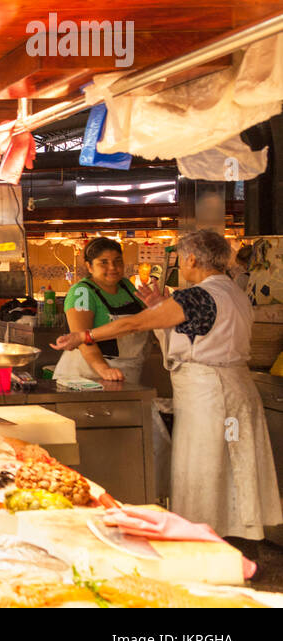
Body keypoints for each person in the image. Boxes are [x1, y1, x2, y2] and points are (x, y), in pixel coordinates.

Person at [53, 230, 283, 541]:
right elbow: (197, 330)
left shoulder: (195, 296)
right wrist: (161, 304)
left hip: (211, 399)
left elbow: (136, 323)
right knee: (234, 459)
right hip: (234, 393)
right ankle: (240, 537)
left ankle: (203, 540)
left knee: (205, 465)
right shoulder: (233, 291)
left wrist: (85, 336)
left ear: (190, 259)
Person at [54, 237, 151, 384]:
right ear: (89, 266)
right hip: (87, 374)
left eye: (118, 261)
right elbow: (82, 339)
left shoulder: (126, 286)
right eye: (103, 262)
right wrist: (103, 369)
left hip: (126, 370)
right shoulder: (82, 292)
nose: (112, 267)